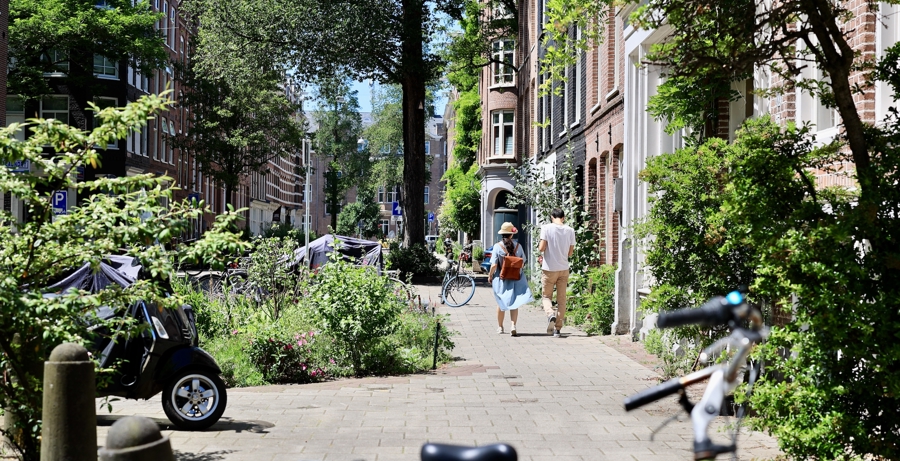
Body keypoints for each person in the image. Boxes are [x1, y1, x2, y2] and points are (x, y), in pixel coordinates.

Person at [488, 222, 532, 336]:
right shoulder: (519, 246)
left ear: (502, 234)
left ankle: (500, 327)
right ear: (511, 234)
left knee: (500, 302)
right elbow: (523, 262)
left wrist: (490, 275)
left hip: (501, 279)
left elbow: (493, 265)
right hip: (516, 278)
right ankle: (513, 325)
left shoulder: (497, 246)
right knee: (515, 302)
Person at [538, 208, 576, 337]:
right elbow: (570, 253)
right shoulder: (570, 230)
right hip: (563, 268)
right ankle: (557, 329)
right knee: (561, 300)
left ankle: (550, 314)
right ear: (563, 218)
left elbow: (542, 248)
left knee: (546, 296)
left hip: (549, 268)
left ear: (551, 217)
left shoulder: (546, 228)